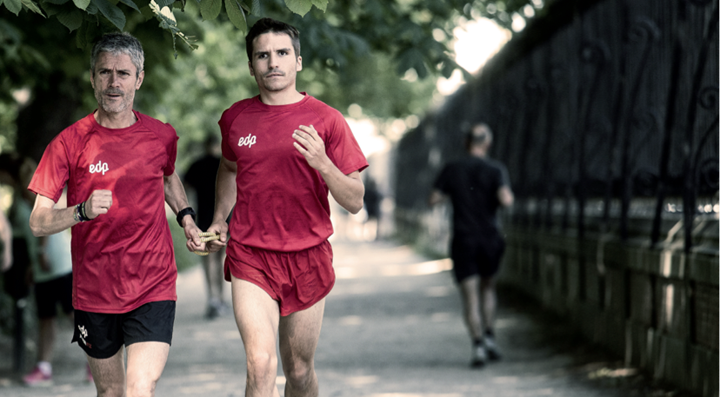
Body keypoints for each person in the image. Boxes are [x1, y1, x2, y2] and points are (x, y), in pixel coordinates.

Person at [28, 32, 203, 397]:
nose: (113, 82)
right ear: (92, 78)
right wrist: (80, 211)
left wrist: (187, 218)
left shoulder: (161, 136)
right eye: (104, 72)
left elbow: (168, 178)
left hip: (153, 283)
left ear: (139, 78)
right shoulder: (68, 143)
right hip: (95, 289)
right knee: (111, 392)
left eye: (123, 73)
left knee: (140, 387)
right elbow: (38, 222)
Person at [201, 18, 368, 397]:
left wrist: (324, 163)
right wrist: (219, 219)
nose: (272, 62)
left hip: (307, 254)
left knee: (299, 370)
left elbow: (356, 200)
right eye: (262, 55)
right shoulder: (235, 118)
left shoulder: (327, 120)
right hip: (251, 255)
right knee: (260, 364)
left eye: (281, 53)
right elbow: (228, 168)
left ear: (298, 61)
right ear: (251, 65)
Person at [429, 123, 514, 368]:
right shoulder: (496, 169)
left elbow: (434, 199)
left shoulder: (452, 169)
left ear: (467, 143)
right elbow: (506, 201)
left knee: (470, 297)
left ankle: (477, 345)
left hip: (464, 238)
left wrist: (453, 193)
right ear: (487, 143)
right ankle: (489, 336)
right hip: (490, 238)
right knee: (488, 289)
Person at [183, 135, 230, 319]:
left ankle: (213, 298)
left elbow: (185, 188)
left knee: (208, 260)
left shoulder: (196, 165)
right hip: (224, 220)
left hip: (203, 219)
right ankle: (221, 298)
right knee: (220, 258)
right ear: (217, 145)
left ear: (204, 145)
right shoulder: (223, 165)